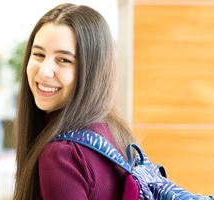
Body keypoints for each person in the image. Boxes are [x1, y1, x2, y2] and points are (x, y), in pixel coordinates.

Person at [13, 3, 137, 200]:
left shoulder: (63, 155)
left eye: (63, 60)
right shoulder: (113, 131)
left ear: (92, 71)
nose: (44, 71)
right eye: (38, 54)